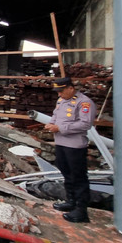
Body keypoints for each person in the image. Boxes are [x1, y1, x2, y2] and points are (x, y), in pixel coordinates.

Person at [44, 77, 96, 223]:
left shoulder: (84, 103)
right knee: (66, 173)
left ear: (70, 88)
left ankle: (81, 210)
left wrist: (60, 128)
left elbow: (85, 124)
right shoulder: (61, 101)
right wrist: (51, 124)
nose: (59, 95)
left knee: (78, 177)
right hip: (60, 143)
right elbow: (56, 115)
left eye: (61, 91)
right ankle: (71, 201)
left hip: (75, 145)